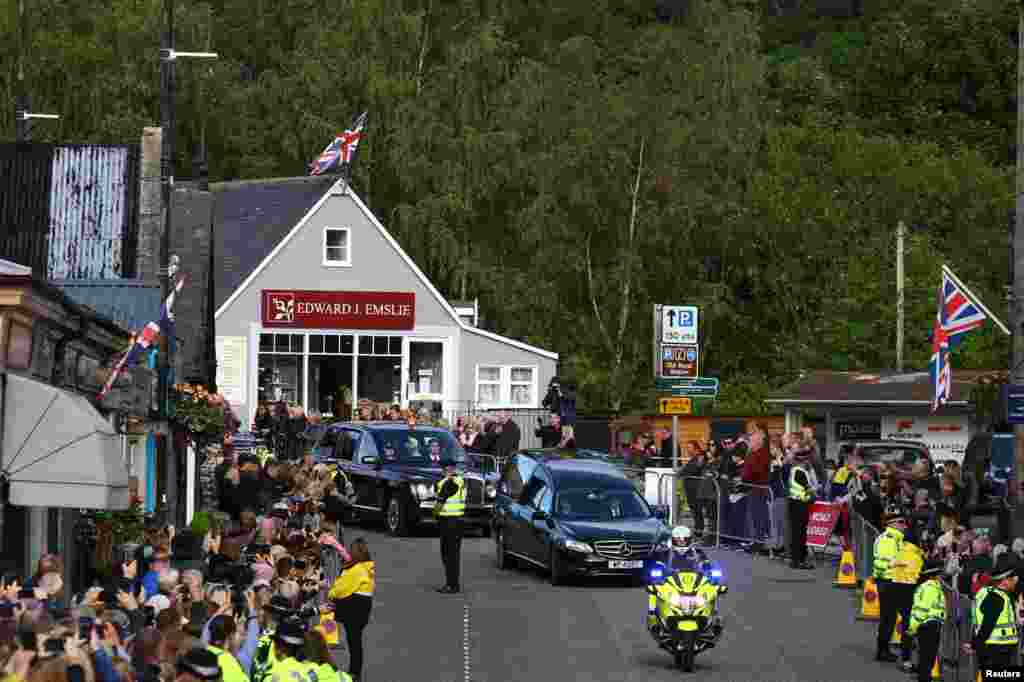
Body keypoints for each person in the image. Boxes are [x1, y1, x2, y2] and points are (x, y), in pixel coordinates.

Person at [329, 538, 375, 682]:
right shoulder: (366, 568)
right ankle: (355, 671)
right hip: (363, 607)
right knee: (355, 640)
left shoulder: (357, 570)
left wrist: (331, 594)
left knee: (354, 641)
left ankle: (355, 672)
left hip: (355, 608)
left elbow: (342, 589)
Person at [964, 556, 1019, 670]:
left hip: (995, 648)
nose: (1016, 581)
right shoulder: (996, 598)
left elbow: (980, 623)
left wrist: (974, 643)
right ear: (1004, 580)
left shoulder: (994, 594)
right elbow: (987, 624)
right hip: (996, 650)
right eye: (1013, 578)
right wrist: (975, 644)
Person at [874, 511, 909, 662]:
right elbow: (885, 562)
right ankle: (883, 650)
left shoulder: (896, 539)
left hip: (890, 581)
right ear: (892, 524)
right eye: (901, 522)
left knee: (890, 617)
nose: (904, 525)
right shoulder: (889, 540)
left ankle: (884, 649)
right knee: (888, 618)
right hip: (889, 582)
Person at [906, 561, 945, 682]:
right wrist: (913, 628)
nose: (941, 577)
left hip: (928, 625)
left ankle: (924, 677)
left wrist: (913, 627)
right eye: (939, 574)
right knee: (928, 658)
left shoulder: (928, 587)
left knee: (926, 657)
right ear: (934, 575)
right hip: (930, 626)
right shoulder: (930, 588)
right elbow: (922, 610)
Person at [434, 457, 466, 594]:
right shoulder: (459, 480)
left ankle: (451, 585)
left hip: (449, 521)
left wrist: (435, 513)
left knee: (448, 554)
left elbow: (441, 501)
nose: (441, 471)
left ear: (447, 468)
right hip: (457, 520)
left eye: (442, 468)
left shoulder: (449, 483)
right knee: (453, 554)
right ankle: (452, 583)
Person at [787, 442, 817, 570]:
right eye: (807, 460)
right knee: (800, 534)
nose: (809, 462)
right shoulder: (801, 472)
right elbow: (809, 490)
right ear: (804, 460)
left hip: (795, 504)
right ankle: (800, 560)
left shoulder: (794, 470)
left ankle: (795, 560)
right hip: (800, 504)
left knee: (796, 533)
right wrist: (815, 490)